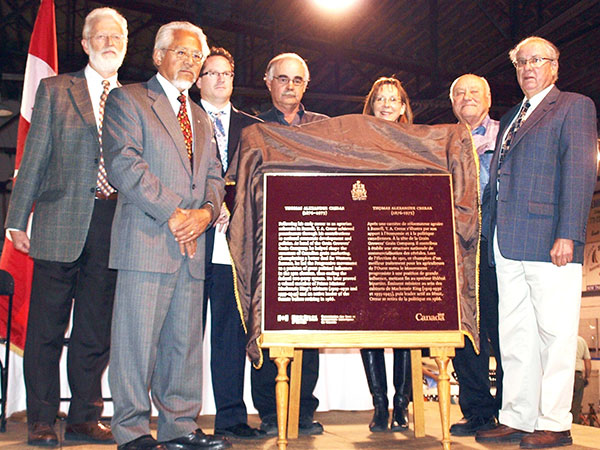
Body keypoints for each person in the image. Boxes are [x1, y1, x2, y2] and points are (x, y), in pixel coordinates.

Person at [102, 21, 230, 450]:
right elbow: (125, 165)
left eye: (197, 56)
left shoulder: (201, 116)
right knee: (135, 345)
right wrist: (175, 214)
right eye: (181, 52)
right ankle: (132, 431)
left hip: (192, 246)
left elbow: (215, 176)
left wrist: (205, 214)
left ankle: (180, 426)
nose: (190, 62)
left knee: (184, 345)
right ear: (158, 56)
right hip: (148, 241)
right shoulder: (129, 99)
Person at [4, 7, 128, 446]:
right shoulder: (56, 89)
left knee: (95, 331)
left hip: (113, 224)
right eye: (101, 36)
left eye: (117, 37)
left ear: (126, 45)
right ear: (85, 43)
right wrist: (16, 219)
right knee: (46, 329)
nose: (109, 43)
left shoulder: (135, 100)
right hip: (58, 223)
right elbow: (34, 157)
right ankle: (41, 418)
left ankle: (83, 418)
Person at [475, 36, 597, 449]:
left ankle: (555, 422)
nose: (528, 68)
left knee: (556, 336)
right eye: (521, 62)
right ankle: (517, 416)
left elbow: (579, 173)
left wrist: (569, 234)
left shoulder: (574, 106)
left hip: (550, 242)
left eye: (537, 60)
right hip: (507, 241)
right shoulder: (512, 115)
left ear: (554, 67)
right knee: (515, 335)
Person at [251, 52, 327, 436]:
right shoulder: (253, 127)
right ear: (268, 82)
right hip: (268, 242)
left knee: (309, 329)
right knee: (269, 329)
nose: (290, 86)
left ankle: (302, 410)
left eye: (297, 80)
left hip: (314, 240)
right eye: (282, 78)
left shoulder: (326, 127)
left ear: (306, 85)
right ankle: (270, 412)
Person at [196, 46, 265, 440]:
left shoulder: (254, 128)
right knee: (185, 334)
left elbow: (262, 183)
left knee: (230, 333)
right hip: (188, 239)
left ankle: (231, 417)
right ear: (198, 80)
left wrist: (234, 209)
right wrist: (209, 206)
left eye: (227, 73)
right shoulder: (178, 118)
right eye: (212, 73)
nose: (220, 79)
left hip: (233, 243)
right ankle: (180, 418)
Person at [448, 74, 502, 436]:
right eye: (460, 93)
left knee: (506, 331)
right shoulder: (444, 139)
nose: (467, 97)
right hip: (458, 251)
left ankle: (512, 410)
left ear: (488, 98)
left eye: (474, 92)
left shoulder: (506, 134)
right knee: (466, 332)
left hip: (499, 248)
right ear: (452, 102)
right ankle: (478, 411)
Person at [360, 76, 414, 432]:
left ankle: (402, 404)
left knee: (406, 328)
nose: (386, 104)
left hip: (405, 241)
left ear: (403, 107)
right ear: (372, 104)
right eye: (380, 98)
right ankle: (379, 404)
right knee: (368, 325)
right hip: (367, 238)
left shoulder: (416, 142)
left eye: (393, 99)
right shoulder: (357, 140)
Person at [572, 336, 592, 423]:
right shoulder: (581, 341)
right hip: (578, 375)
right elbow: (587, 361)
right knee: (576, 404)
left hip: (565, 375)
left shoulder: (563, 339)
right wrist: (587, 377)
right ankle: (573, 425)